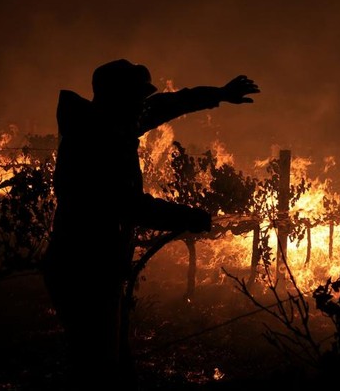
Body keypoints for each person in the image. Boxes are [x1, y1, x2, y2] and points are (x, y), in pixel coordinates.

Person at [41, 59, 259, 389]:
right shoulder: (95, 140)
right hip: (83, 267)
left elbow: (167, 104)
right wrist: (188, 217)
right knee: (94, 366)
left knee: (99, 359)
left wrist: (219, 93)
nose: (141, 106)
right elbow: (126, 204)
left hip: (96, 263)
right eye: (135, 98)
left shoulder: (114, 122)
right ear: (115, 97)